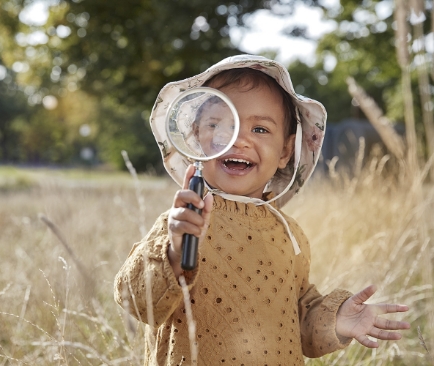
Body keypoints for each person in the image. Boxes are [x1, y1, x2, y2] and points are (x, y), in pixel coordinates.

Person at [113, 54, 409, 365]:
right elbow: (137, 302)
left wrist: (336, 320)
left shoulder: (289, 233)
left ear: (284, 151)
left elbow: (297, 317)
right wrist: (173, 254)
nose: (239, 139)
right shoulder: (183, 224)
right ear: (196, 138)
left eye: (261, 130)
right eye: (219, 124)